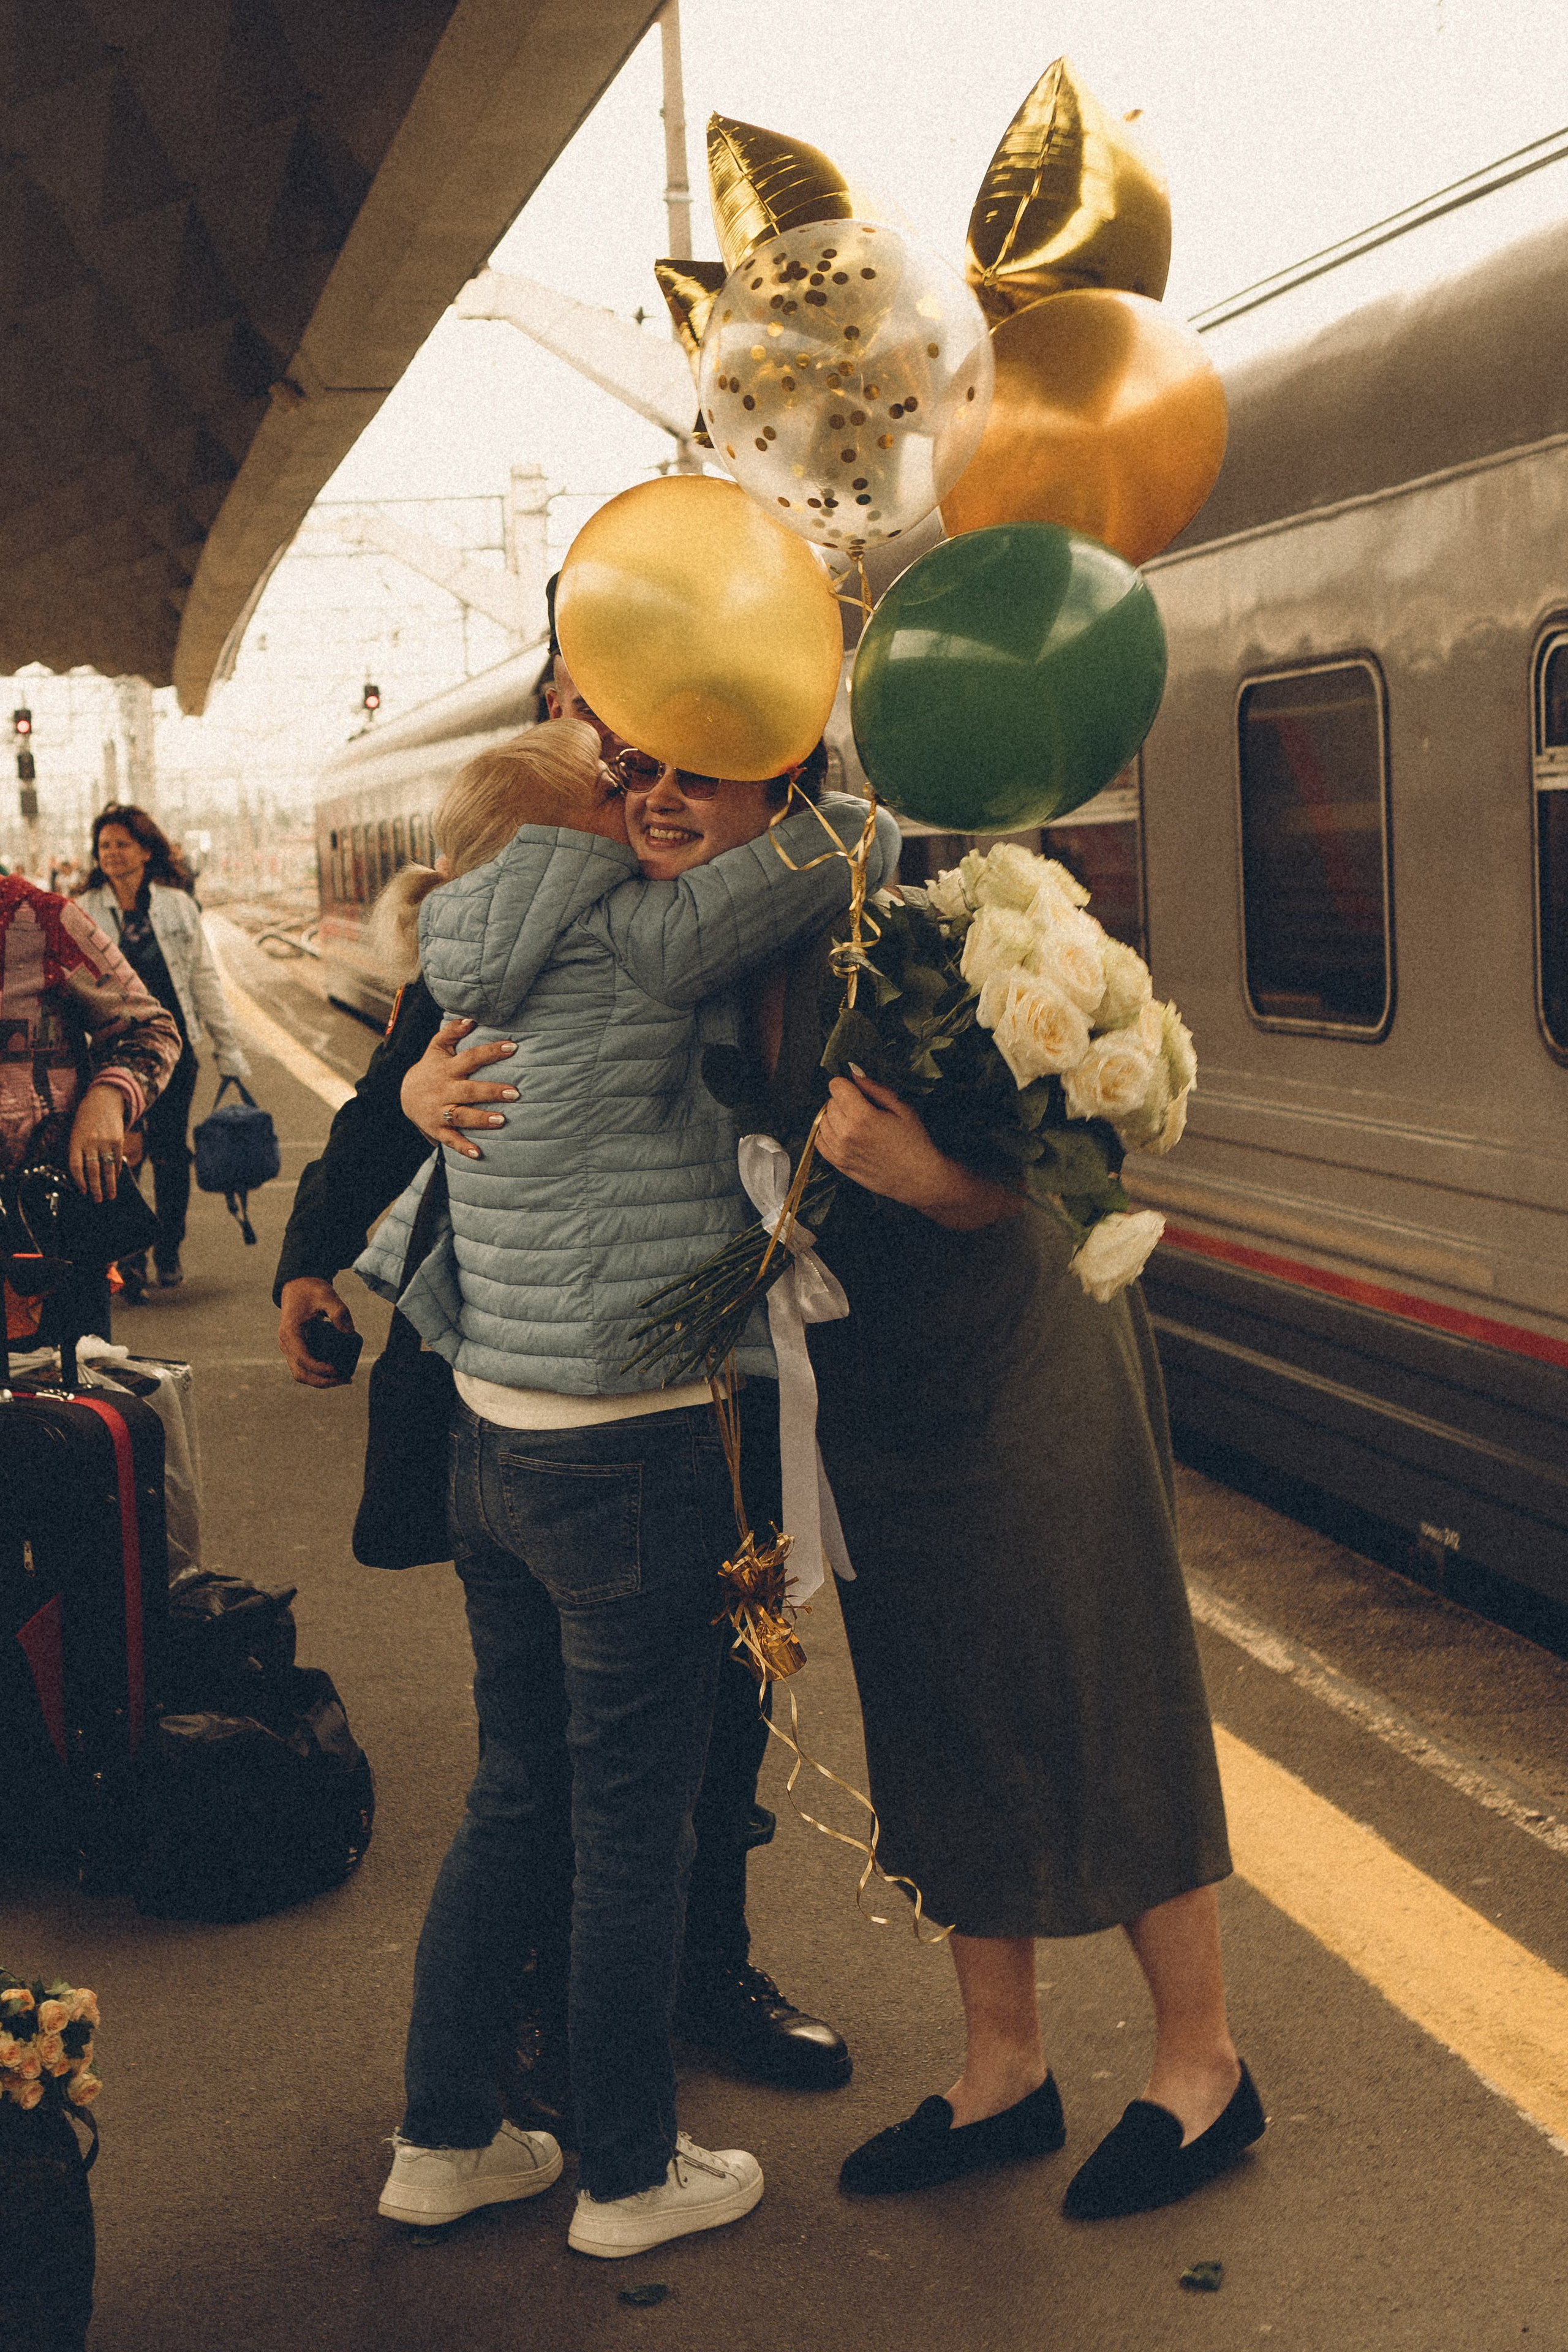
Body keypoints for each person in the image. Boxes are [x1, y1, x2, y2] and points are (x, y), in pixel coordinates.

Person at [353, 731, 899, 2256]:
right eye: (615, 784)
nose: (643, 800)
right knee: (632, 1826)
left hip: (490, 1435)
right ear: (566, 829)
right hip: (631, 1446)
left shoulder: (470, 950)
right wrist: (773, 751)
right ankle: (625, 2171)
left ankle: (444, 2135)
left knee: (513, 1795)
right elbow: (855, 833)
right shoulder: (638, 933)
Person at [741, 922, 1260, 2217]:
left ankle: (1202, 2067)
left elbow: (1056, 1145)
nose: (650, 792)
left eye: (684, 765)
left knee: (1096, 1666)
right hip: (876, 1366)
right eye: (625, 763)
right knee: (934, 1694)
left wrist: (924, 1173)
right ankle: (1002, 2071)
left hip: (1022, 1338)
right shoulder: (673, 926)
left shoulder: (903, 920)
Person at [75, 804, 252, 1297]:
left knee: (172, 1153)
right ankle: (129, 1253)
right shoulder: (82, 910)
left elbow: (203, 978)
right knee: (120, 1152)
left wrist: (227, 1047)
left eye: (121, 844)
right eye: (104, 845)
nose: (111, 853)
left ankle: (169, 1246)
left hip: (171, 1047)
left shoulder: (178, 906)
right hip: (108, 1051)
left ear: (146, 850)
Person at [1, 870, 181, 1347]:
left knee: (52, 1408)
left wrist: (108, 1097)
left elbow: (150, 1028)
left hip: (42, 1232)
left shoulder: (44, 920)